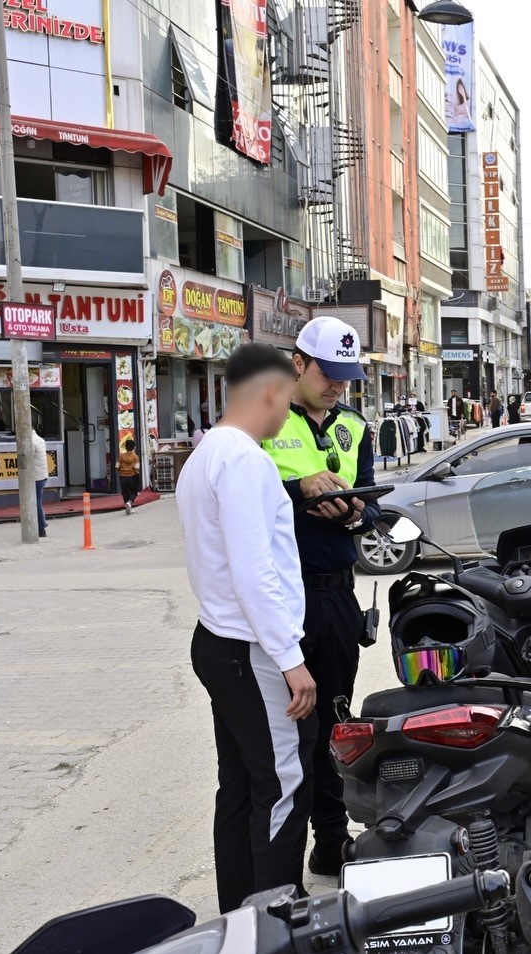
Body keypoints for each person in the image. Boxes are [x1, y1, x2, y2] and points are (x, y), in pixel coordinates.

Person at [177, 343, 316, 911]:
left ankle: (236, 921)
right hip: (251, 648)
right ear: (270, 392)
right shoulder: (244, 460)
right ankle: (274, 927)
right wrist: (291, 659)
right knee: (282, 788)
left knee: (239, 789)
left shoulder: (207, 453)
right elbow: (253, 568)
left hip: (220, 641)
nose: (288, 413)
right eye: (287, 398)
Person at [261, 316, 382, 877]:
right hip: (285, 599)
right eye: (328, 374)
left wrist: (358, 512)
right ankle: (281, 854)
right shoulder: (265, 422)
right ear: (298, 365)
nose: (337, 386)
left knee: (337, 724)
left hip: (337, 598)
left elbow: (374, 504)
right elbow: (242, 501)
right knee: (292, 730)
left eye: (346, 377)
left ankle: (331, 843)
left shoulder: (354, 427)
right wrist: (298, 490)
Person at [28, 427, 49, 538]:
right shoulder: (40, 439)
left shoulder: (30, 441)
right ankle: (40, 526)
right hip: (42, 476)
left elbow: (27, 458)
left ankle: (41, 528)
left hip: (35, 477)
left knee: (36, 504)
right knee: (38, 503)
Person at [117, 439, 141, 514]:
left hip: (122, 476)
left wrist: (121, 470)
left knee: (125, 492)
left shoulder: (121, 456)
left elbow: (116, 466)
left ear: (125, 447)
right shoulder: (135, 457)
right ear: (134, 447)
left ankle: (128, 507)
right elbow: (137, 468)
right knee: (134, 491)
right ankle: (130, 502)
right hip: (132, 476)